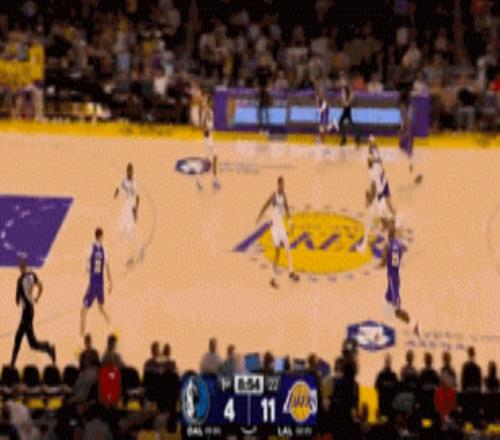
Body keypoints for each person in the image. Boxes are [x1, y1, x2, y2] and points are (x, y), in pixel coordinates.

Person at [256, 176, 300, 288]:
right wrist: (259, 217)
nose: (282, 186)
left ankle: (291, 272)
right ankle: (272, 279)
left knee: (288, 248)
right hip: (275, 229)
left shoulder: (284, 195)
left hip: (281, 227)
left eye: (283, 184)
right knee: (277, 253)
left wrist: (290, 223)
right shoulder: (274, 195)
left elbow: (287, 209)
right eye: (281, 184)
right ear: (278, 184)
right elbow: (265, 205)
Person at [11, 258, 56, 367]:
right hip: (31, 310)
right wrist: (37, 297)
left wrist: (20, 298)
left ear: (20, 268)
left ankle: (12, 364)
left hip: (26, 312)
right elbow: (41, 286)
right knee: (32, 343)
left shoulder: (20, 280)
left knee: (18, 337)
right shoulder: (32, 275)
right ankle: (49, 348)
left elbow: (17, 301)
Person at [379, 220, 419, 336]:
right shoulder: (400, 245)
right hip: (396, 277)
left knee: (397, 310)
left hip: (392, 279)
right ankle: (384, 328)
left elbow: (383, 262)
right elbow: (403, 251)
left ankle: (413, 323)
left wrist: (379, 265)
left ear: (388, 235)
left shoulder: (387, 246)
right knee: (387, 303)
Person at [358, 137, 396, 253]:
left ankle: (390, 241)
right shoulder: (377, 164)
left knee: (385, 222)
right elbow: (378, 160)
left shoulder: (373, 172)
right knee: (370, 222)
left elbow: (374, 189)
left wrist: (369, 197)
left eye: (368, 161)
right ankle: (364, 245)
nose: (367, 162)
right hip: (379, 197)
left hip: (379, 200)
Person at [80, 228, 112, 336]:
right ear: (101, 236)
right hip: (101, 284)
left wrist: (88, 268)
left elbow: (87, 266)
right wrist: (110, 282)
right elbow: (107, 267)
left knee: (83, 311)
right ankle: (110, 323)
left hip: (93, 284)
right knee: (101, 307)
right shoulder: (104, 250)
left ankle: (81, 335)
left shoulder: (90, 248)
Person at [114, 162, 144, 266]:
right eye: (128, 170)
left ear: (133, 171)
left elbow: (138, 197)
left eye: (131, 171)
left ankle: (140, 249)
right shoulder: (123, 181)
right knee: (121, 234)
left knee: (131, 233)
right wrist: (116, 194)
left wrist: (136, 209)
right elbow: (118, 188)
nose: (130, 172)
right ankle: (128, 257)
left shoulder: (135, 183)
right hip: (124, 209)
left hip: (131, 209)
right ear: (127, 171)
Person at [196, 91, 220, 192]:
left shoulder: (211, 111)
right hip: (207, 138)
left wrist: (211, 129)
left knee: (210, 160)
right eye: (212, 101)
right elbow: (202, 126)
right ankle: (213, 181)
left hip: (210, 137)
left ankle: (202, 180)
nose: (213, 102)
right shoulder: (206, 112)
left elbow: (210, 125)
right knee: (213, 158)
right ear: (209, 102)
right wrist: (207, 130)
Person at [399, 95, 423, 184]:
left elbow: (408, 126)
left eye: (401, 105)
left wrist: (404, 135)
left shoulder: (406, 113)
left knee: (409, 154)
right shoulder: (406, 112)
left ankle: (415, 173)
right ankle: (414, 173)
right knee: (408, 154)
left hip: (408, 135)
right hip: (407, 135)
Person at [338, 72, 360, 147]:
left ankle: (344, 139)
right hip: (346, 106)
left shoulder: (346, 86)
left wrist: (347, 102)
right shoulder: (344, 87)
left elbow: (352, 94)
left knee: (341, 122)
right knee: (349, 122)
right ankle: (356, 137)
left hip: (347, 107)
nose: (341, 81)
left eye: (342, 78)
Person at [375, 354, 398, 419]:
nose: (388, 363)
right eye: (387, 361)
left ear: (390, 362)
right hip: (382, 403)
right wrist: (380, 396)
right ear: (385, 362)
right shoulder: (381, 375)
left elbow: (397, 389)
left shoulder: (393, 375)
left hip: (391, 405)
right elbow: (376, 387)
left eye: (389, 361)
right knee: (382, 421)